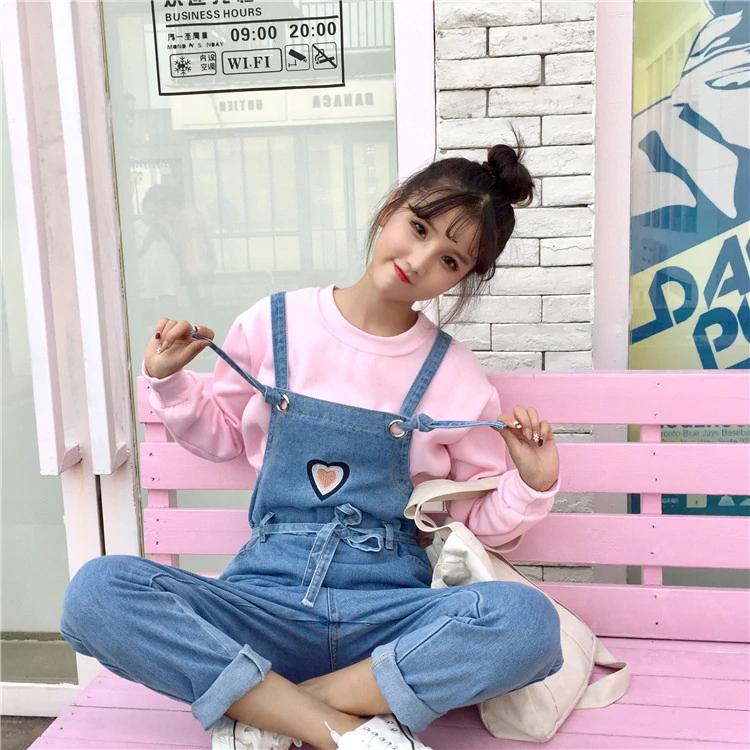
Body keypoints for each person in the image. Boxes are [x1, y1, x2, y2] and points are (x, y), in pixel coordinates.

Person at [59, 129, 564, 750]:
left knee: (527, 623)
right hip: (261, 605)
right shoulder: (276, 322)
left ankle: (272, 710)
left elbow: (475, 524)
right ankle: (345, 732)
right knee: (96, 593)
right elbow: (224, 436)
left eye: (451, 260)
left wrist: (532, 484)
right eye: (418, 227)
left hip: (386, 619)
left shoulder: (455, 376)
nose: (420, 259)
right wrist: (169, 383)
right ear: (390, 210)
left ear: (460, 280)